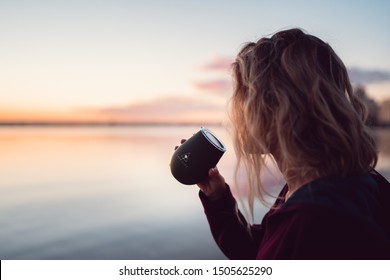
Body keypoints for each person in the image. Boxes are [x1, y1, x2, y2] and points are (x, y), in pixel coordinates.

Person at [177, 28, 390, 259]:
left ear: (276, 108)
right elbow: (262, 249)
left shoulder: (311, 220)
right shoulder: (353, 182)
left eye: (243, 98)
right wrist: (217, 198)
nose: (235, 114)